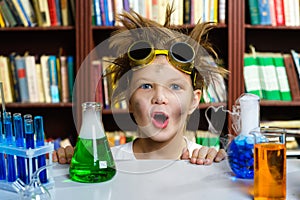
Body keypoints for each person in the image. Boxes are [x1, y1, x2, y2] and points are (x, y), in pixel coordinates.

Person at [53, 5, 228, 165]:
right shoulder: (106, 164)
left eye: (175, 86)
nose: (159, 97)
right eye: (146, 86)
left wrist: (218, 169)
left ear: (193, 101)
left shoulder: (206, 162)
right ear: (129, 99)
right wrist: (66, 166)